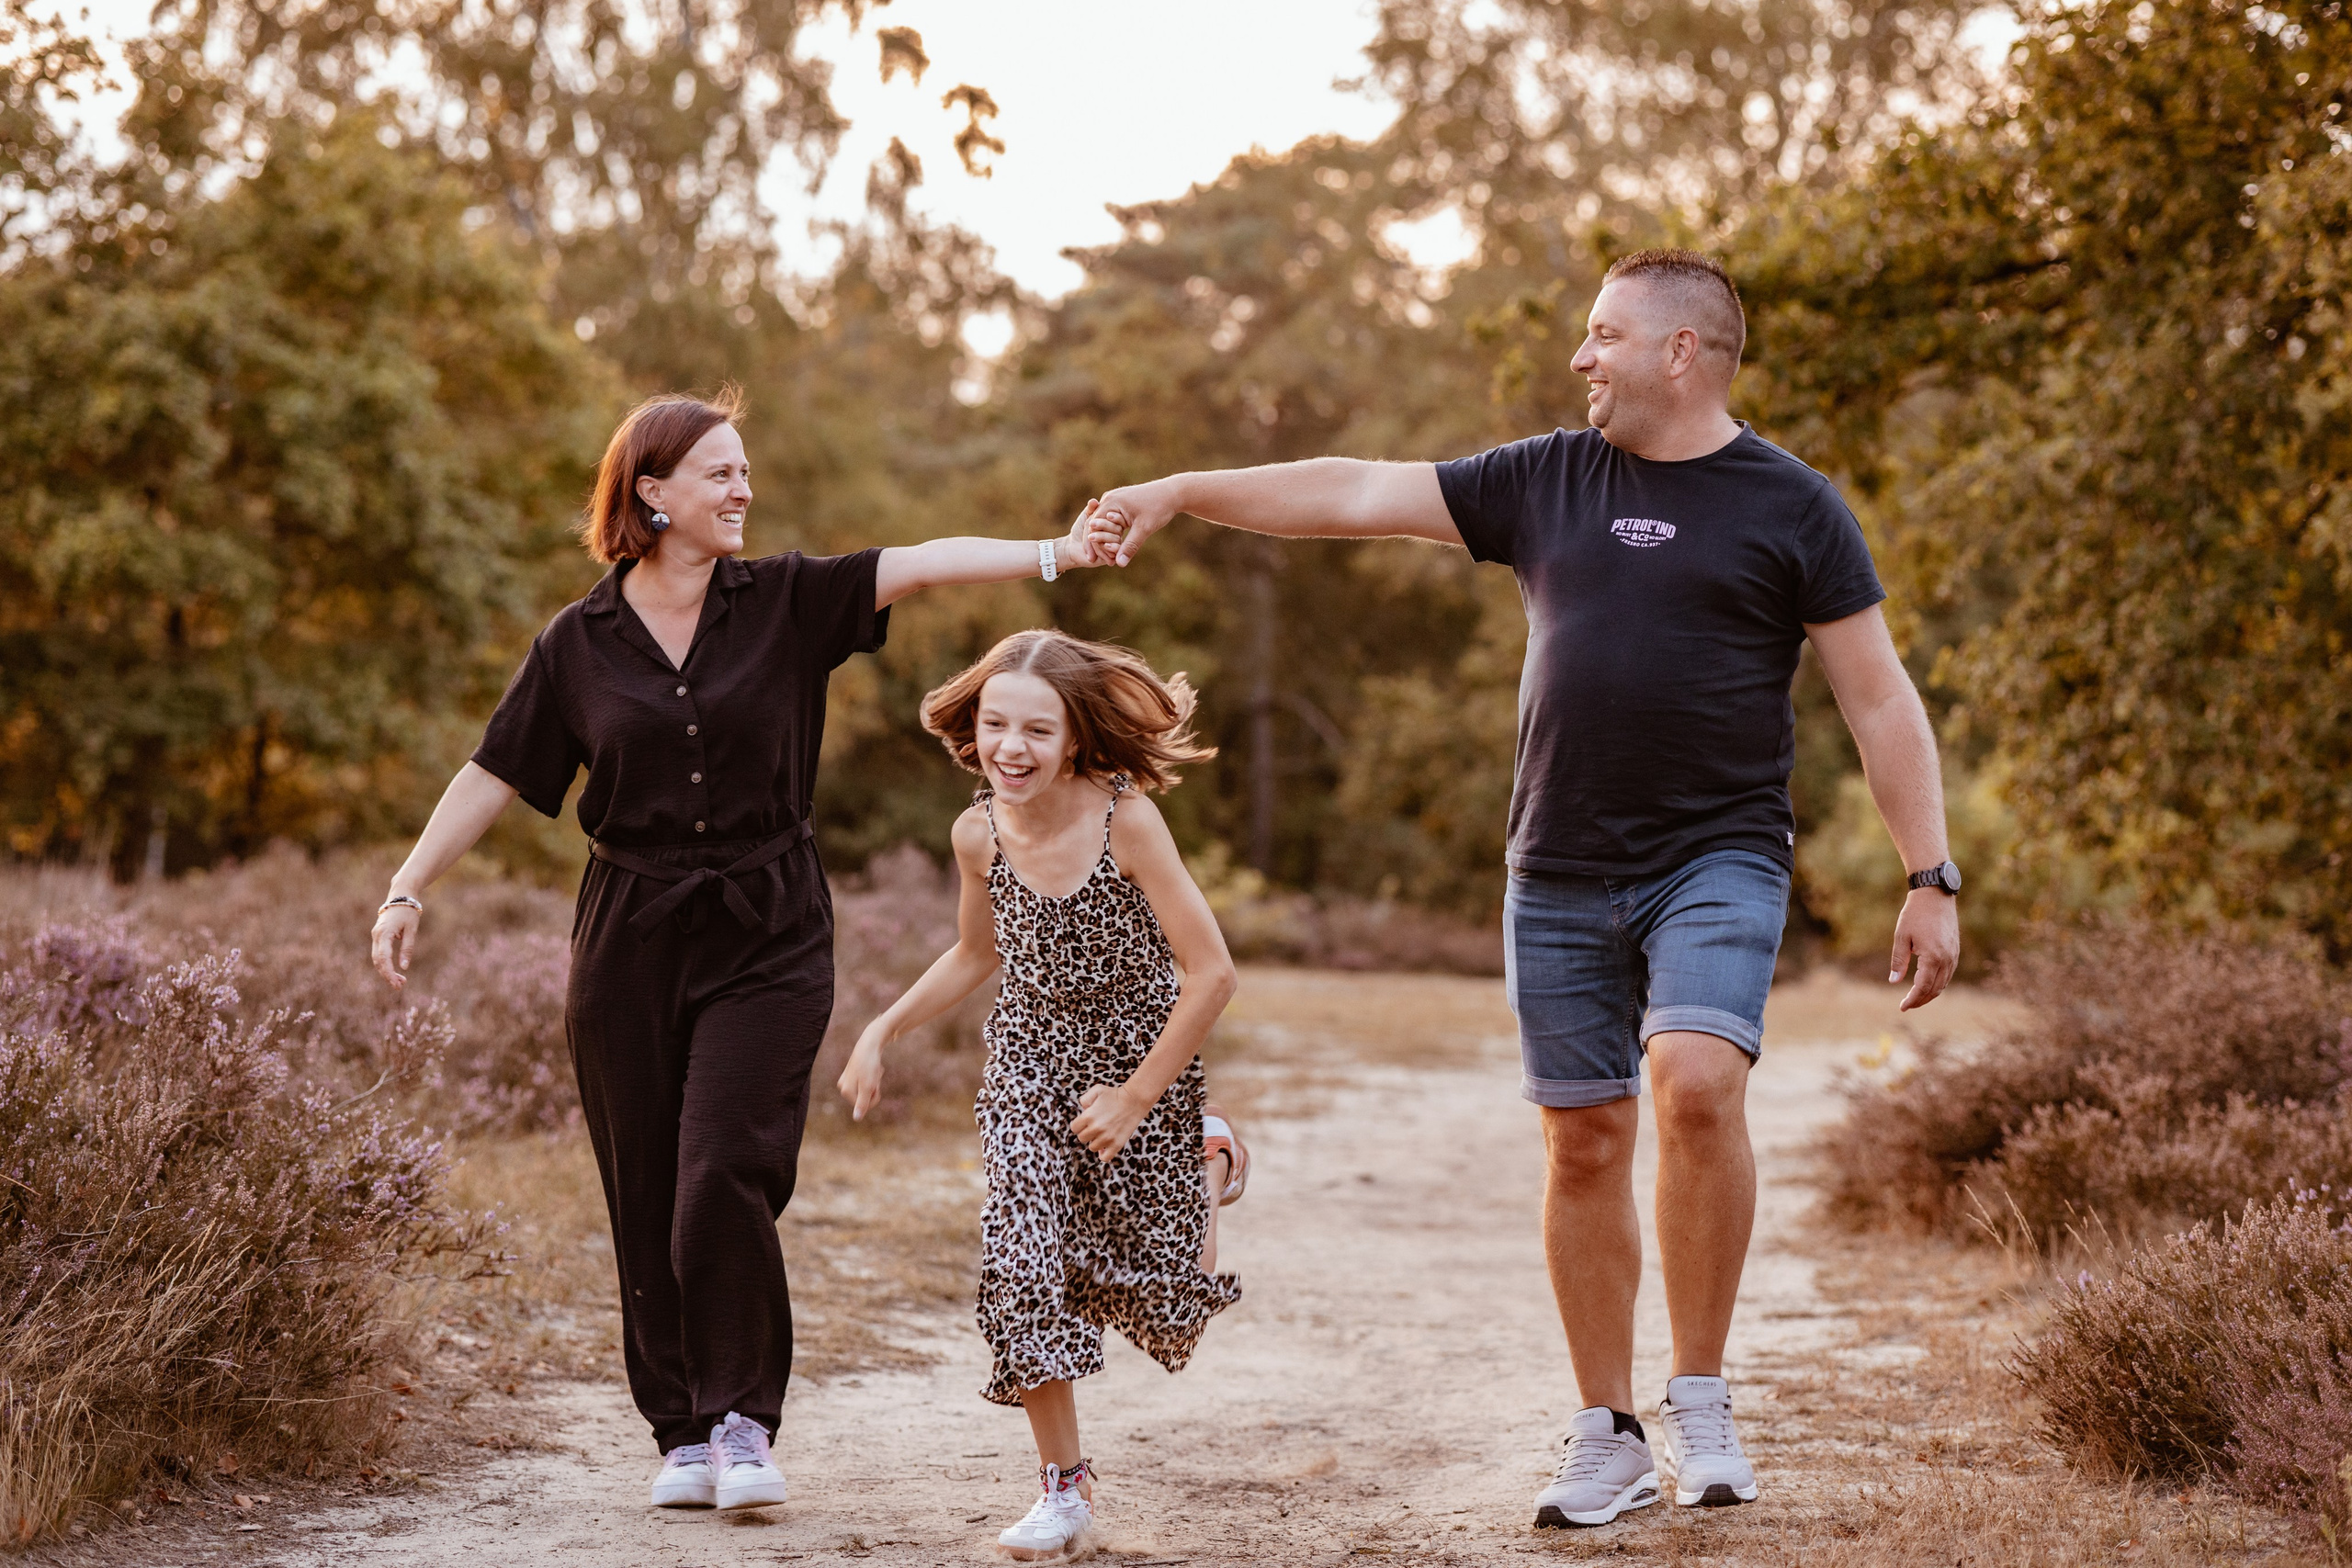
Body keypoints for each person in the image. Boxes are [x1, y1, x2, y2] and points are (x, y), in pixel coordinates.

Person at [1083, 248, 1962, 1530]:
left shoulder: (1795, 506)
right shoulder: (1546, 477)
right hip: (1554, 865)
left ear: (1682, 352)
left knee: (1698, 1082)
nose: (1580, 357)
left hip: (1718, 853)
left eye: (1603, 334)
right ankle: (1605, 1428)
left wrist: (1929, 869)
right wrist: (1179, 489)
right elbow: (1351, 489)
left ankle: (1701, 1392)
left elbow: (1877, 694)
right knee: (1587, 1135)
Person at [367, 389, 1119, 1514]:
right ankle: (678, 1434)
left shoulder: (784, 602)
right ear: (652, 494)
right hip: (629, 935)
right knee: (645, 1187)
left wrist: (1055, 549)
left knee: (721, 1167)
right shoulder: (577, 645)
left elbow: (916, 564)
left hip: (769, 926)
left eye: (745, 470)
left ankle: (741, 1421)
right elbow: (495, 769)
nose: (742, 491)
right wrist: (407, 885)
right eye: (719, 473)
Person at [837, 629, 1245, 1560]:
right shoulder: (975, 831)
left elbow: (1212, 972)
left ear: (1074, 739)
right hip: (1025, 1062)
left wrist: (1142, 1099)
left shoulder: (1124, 818)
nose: (1010, 748)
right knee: (1023, 1263)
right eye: (994, 725)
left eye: (1035, 729)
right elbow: (977, 954)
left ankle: (1204, 1159)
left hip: (1139, 1060)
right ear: (971, 730)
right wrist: (880, 1028)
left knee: (1155, 1291)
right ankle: (1063, 1490)